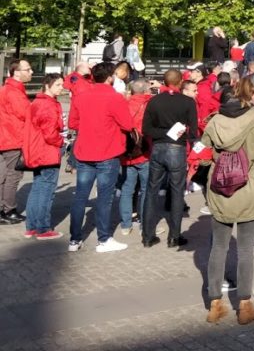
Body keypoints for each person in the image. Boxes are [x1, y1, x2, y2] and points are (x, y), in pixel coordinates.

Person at [200, 78, 254, 325]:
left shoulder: (214, 122)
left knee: (218, 247)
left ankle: (215, 304)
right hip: (250, 188)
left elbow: (202, 157)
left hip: (220, 188)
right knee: (245, 249)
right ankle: (244, 305)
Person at [68, 62, 134, 252]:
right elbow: (128, 125)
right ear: (110, 77)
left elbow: (73, 122)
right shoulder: (114, 97)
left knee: (80, 196)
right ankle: (103, 239)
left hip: (84, 151)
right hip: (107, 151)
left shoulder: (80, 96)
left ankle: (74, 239)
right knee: (104, 198)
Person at [141, 69, 199, 249]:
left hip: (158, 147)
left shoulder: (154, 101)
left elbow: (146, 129)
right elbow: (194, 131)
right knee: (176, 191)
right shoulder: (188, 102)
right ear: (181, 81)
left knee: (151, 191)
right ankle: (174, 236)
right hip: (177, 149)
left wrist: (164, 133)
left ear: (164, 82)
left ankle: (148, 236)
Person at [22, 73, 65, 239]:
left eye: (62, 85)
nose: (61, 88)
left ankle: (31, 226)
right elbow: (49, 133)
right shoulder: (48, 105)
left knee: (38, 188)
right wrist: (61, 141)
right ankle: (43, 228)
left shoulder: (37, 102)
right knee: (46, 190)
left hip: (37, 151)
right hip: (47, 152)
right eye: (58, 85)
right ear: (48, 85)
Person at [0, 59, 32, 224]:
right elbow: (27, 114)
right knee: (13, 175)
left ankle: (3, 209)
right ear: (17, 72)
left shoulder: (7, 89)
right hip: (13, 138)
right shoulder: (14, 92)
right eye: (27, 69)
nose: (31, 72)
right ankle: (9, 210)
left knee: (4, 175)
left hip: (6, 137)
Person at [119, 79, 152, 235]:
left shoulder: (123, 104)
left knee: (127, 189)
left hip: (127, 153)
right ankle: (145, 224)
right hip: (145, 152)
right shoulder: (149, 104)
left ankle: (126, 225)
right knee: (146, 189)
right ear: (145, 90)